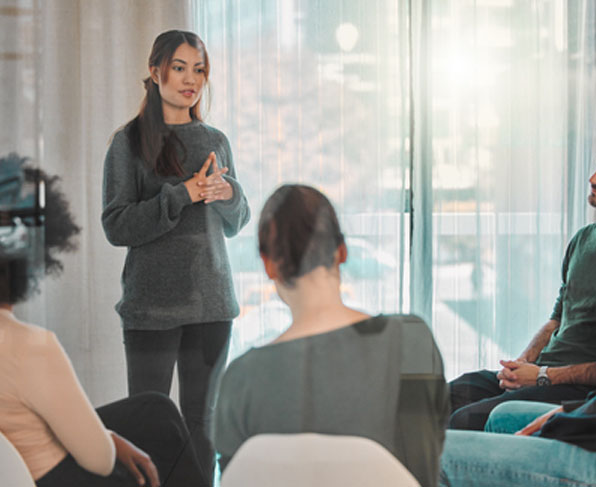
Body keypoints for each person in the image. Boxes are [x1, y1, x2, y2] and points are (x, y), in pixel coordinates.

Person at [439, 171, 596, 487]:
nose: (594, 177)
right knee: (459, 402)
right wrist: (527, 367)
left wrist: (571, 410)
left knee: (445, 448)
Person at [211, 184, 449, 487]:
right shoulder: (412, 340)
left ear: (268, 265)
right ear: (342, 251)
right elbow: (425, 464)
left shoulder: (240, 379)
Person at [449, 124, 596, 430]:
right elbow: (557, 319)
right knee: (444, 397)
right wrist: (524, 364)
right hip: (542, 375)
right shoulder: (583, 239)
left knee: (466, 420)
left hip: (580, 390)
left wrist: (543, 376)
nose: (594, 179)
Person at [0, 154, 207, 486]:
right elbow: (99, 460)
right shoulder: (30, 347)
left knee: (155, 410)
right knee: (157, 435)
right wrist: (108, 441)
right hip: (50, 477)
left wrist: (107, 434)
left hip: (19, 460)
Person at [101, 30, 250, 484]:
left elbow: (237, 219)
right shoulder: (127, 143)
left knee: (203, 426)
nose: (191, 80)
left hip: (212, 306)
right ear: (155, 72)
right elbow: (117, 225)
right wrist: (180, 195)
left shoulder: (215, 139)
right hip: (150, 310)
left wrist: (227, 193)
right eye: (180, 68)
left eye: (199, 70)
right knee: (148, 426)